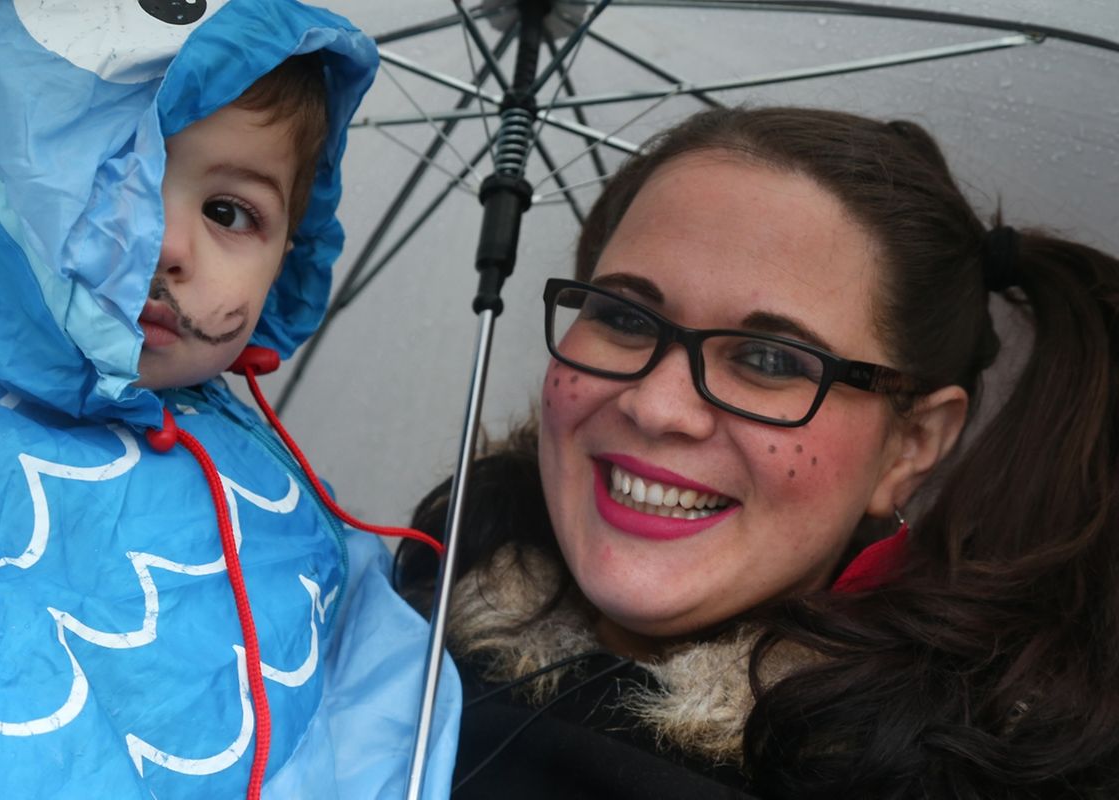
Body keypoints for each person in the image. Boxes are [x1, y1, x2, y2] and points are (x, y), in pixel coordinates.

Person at [397, 105, 1119, 798]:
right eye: (622, 316)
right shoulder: (377, 623)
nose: (657, 405)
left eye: (772, 361)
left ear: (912, 445)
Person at [0, 2, 458, 798]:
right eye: (113, 171)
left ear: (289, 254)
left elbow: (368, 713)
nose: (170, 245)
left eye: (229, 212)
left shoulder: (280, 502)